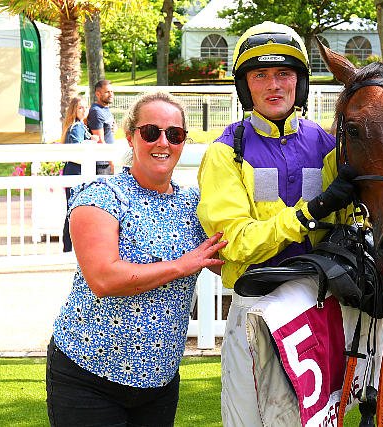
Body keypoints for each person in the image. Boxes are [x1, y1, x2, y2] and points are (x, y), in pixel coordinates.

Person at [196, 22, 355, 426]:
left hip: (319, 307)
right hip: (255, 308)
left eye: (284, 73)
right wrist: (309, 213)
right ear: (244, 85)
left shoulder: (331, 148)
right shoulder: (225, 153)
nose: (273, 85)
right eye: (260, 75)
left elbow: (354, 222)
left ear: (299, 82)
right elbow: (235, 242)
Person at [46, 91, 227, 426]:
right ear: (130, 136)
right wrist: (182, 265)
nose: (163, 142)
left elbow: (232, 260)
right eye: (150, 132)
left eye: (174, 134)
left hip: (159, 381)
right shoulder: (101, 197)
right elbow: (104, 279)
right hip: (88, 375)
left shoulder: (194, 204)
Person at [60, 96, 98, 252]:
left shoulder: (81, 126)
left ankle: (69, 245)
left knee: (74, 207)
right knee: (74, 208)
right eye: (80, 108)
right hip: (75, 169)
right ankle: (69, 246)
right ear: (74, 110)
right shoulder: (76, 127)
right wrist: (92, 141)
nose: (83, 110)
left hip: (75, 169)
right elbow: (77, 149)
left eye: (85, 107)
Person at [87, 79, 116, 174]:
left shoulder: (105, 109)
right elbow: (100, 141)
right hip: (101, 163)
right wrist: (112, 163)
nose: (111, 94)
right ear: (98, 94)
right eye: (107, 92)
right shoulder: (96, 111)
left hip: (107, 160)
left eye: (112, 91)